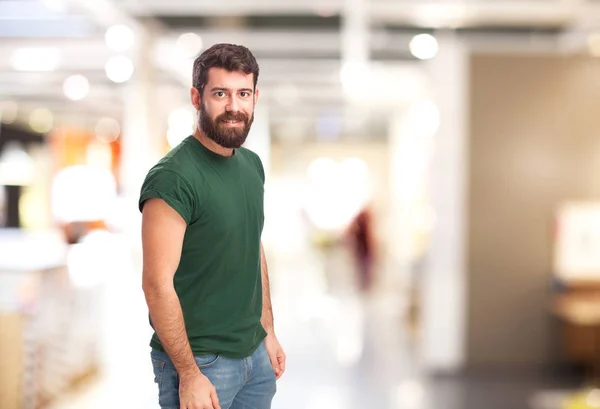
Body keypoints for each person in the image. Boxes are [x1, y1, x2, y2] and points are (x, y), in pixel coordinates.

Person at [139, 43, 285, 409]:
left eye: (243, 94)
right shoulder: (173, 178)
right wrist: (188, 373)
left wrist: (266, 330)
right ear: (196, 96)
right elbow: (156, 285)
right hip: (202, 362)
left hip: (254, 356)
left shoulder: (251, 166)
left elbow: (253, 248)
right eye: (220, 94)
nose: (234, 107)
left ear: (255, 97)